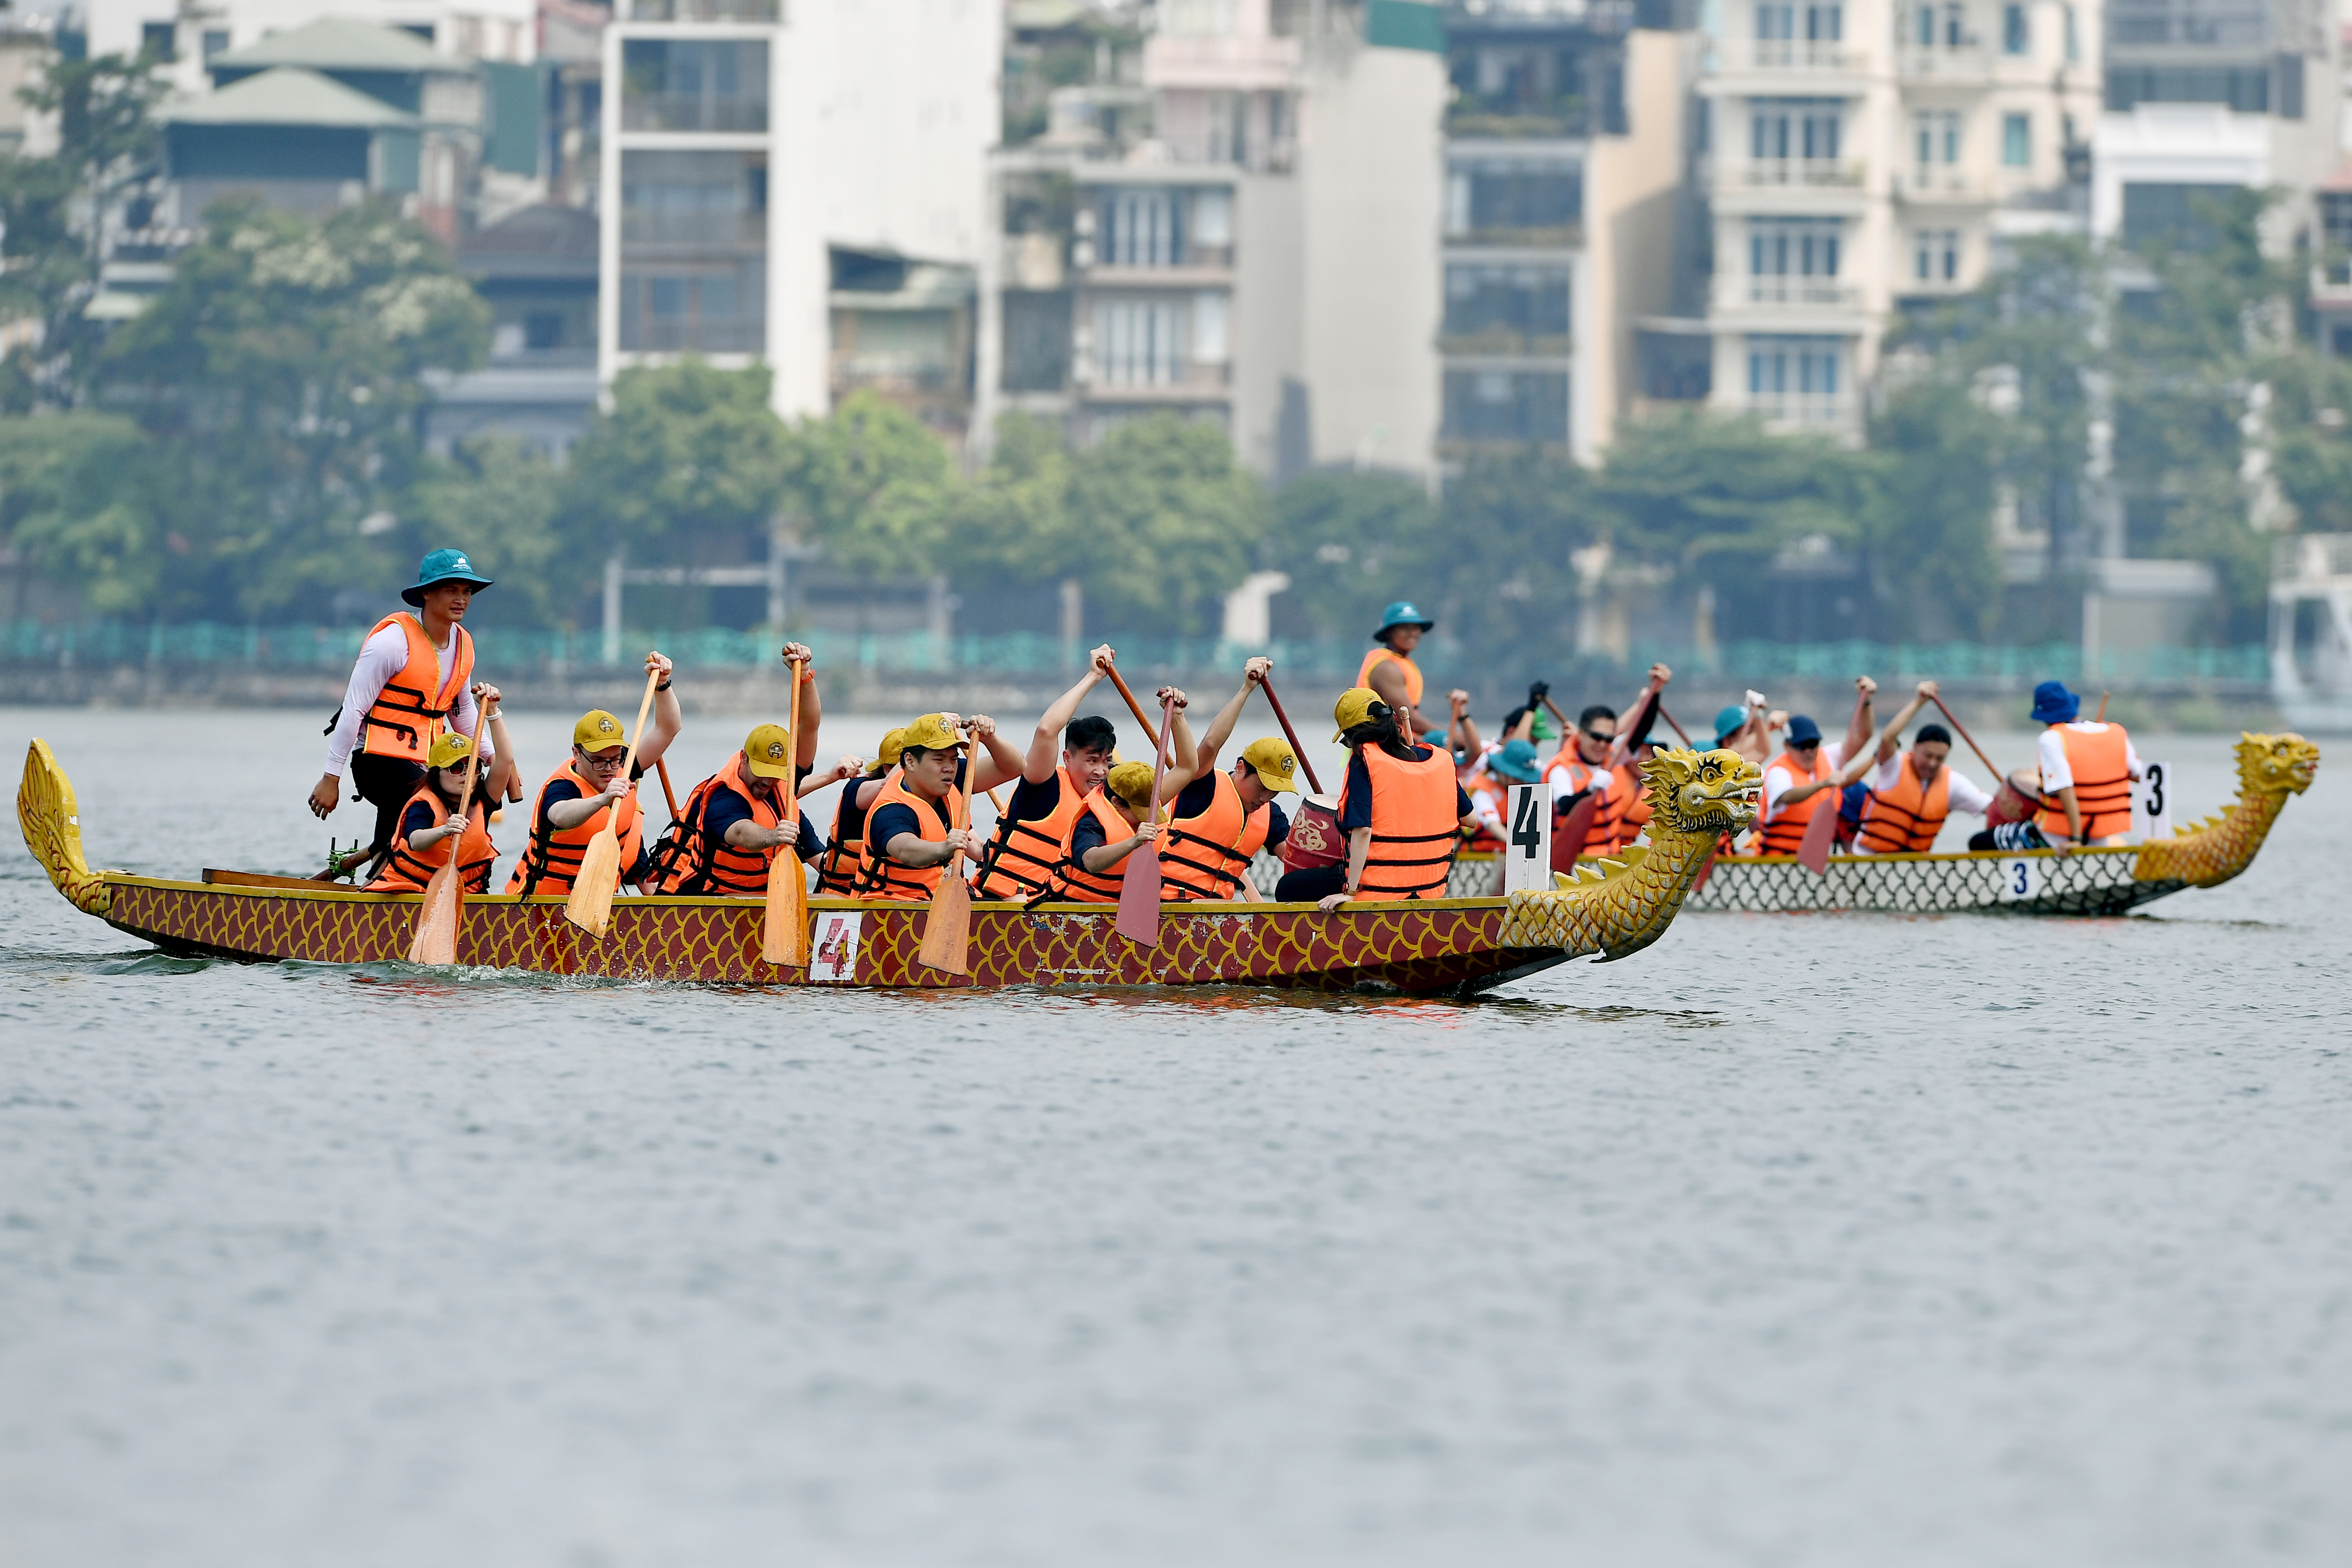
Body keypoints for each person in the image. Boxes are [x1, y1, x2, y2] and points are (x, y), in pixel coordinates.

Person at [309, 548, 497, 876]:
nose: (461, 599)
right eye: (451, 590)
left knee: (411, 819)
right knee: (424, 801)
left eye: (467, 591)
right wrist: (330, 778)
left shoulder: (464, 644)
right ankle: (387, 880)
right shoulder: (391, 643)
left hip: (427, 761)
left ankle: (378, 880)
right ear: (426, 593)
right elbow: (354, 709)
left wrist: (491, 760)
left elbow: (462, 709)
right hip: (374, 758)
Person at [649, 648, 859, 896]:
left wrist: (804, 675)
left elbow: (810, 726)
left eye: (775, 773)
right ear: (745, 759)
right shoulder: (724, 797)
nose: (768, 780)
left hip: (758, 904)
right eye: (762, 771)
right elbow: (741, 832)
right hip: (706, 902)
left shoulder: (786, 802)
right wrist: (773, 836)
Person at [1276, 687, 1477, 909]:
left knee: (1288, 887)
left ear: (1355, 734)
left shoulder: (1365, 760)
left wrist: (1350, 893)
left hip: (1378, 889)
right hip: (1430, 887)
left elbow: (1363, 831)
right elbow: (1471, 820)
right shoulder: (1440, 761)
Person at [504, 651, 683, 896]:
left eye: (614, 758)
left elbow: (668, 728)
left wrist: (662, 684)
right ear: (577, 754)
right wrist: (603, 799)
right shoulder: (562, 788)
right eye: (598, 760)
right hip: (538, 907)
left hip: (597, 905)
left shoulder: (625, 766)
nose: (609, 768)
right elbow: (560, 816)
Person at [973, 645, 1122, 900]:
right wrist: (1093, 677)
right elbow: (1046, 731)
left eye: (1106, 761)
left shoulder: (1112, 801)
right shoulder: (1044, 785)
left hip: (1058, 909)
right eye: (1092, 760)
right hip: (1003, 903)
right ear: (1067, 758)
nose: (1101, 771)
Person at [1149, 660, 1296, 901]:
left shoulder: (1272, 817)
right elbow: (1210, 744)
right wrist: (1247, 689)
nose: (1264, 799)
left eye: (1274, 792)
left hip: (1219, 920)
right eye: (1261, 788)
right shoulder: (1204, 785)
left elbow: (1297, 860)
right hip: (1167, 906)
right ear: (1240, 769)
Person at [854, 713, 1024, 901]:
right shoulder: (892, 809)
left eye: (953, 759)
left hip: (947, 900)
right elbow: (905, 850)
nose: (949, 768)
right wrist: (945, 848)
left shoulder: (952, 779)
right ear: (910, 761)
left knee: (1020, 900)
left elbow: (1015, 767)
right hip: (897, 908)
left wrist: (990, 739)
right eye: (939, 759)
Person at [1852, 682, 1995, 853]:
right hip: (1867, 859)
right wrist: (1919, 702)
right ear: (1914, 748)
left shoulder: (1953, 784)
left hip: (1914, 868)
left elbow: (1994, 809)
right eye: (1928, 756)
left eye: (1940, 758)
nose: (1932, 763)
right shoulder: (1894, 766)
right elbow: (1888, 738)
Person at [1750, 678, 1880, 857]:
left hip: (1816, 861)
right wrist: (1823, 784)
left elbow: (1864, 735)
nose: (1809, 751)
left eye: (1813, 744)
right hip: (1779, 864)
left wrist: (1865, 701)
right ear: (1787, 746)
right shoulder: (1778, 772)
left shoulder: (1827, 756)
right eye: (1801, 746)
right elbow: (1787, 796)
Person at [364, 728, 498, 894]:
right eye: (456, 768)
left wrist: (493, 714)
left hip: (466, 891)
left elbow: (505, 762)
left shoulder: (482, 801)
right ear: (437, 773)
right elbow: (415, 841)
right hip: (412, 890)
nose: (466, 773)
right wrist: (444, 830)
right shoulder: (423, 805)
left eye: (473, 767)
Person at [2024, 679, 2141, 849]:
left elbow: (2065, 788)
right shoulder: (2115, 732)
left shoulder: (2051, 738)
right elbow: (2141, 775)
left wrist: (2076, 839)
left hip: (2057, 838)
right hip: (2101, 837)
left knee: (1981, 841)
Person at [1045, 761, 1170, 902]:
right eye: (1140, 812)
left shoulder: (1147, 797)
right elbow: (1091, 861)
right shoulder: (1091, 822)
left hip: (1125, 906)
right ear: (1117, 803)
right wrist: (1135, 841)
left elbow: (1187, 769)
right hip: (1079, 906)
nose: (1147, 818)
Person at [812, 727, 906, 894]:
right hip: (841, 897)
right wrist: (916, 749)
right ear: (887, 769)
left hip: (882, 897)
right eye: (908, 766)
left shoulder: (920, 801)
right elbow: (885, 785)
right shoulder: (857, 789)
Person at [1358, 600, 1434, 742]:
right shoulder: (1386, 667)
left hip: (1400, 740)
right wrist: (1457, 738)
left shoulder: (1403, 661)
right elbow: (1407, 718)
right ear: (1389, 632)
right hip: (1381, 746)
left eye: (1415, 627)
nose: (1412, 633)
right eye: (1405, 628)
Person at [1465, 737, 1543, 852]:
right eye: (1517, 778)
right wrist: (1518, 848)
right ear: (1503, 771)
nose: (1522, 782)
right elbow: (1492, 823)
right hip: (1481, 860)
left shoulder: (1521, 786)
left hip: (1507, 856)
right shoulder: (1482, 791)